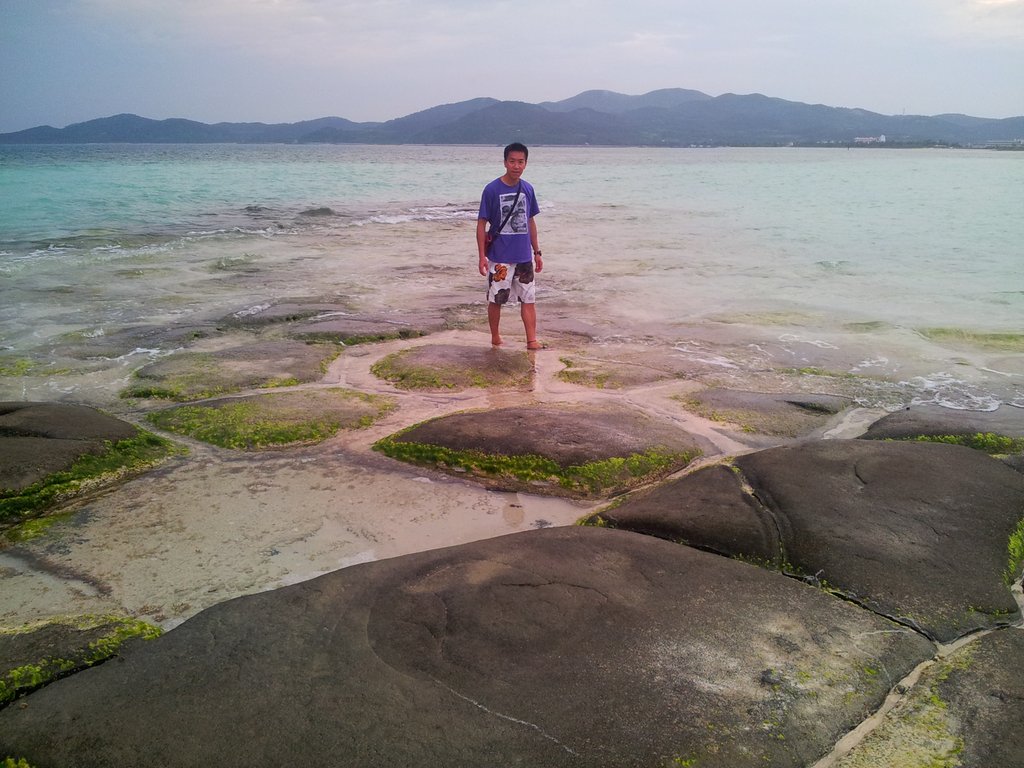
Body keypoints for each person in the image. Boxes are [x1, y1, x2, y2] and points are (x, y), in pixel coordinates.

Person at [476, 142, 544, 349]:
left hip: (524, 257)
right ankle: (495, 336)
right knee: (496, 299)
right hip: (500, 257)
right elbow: (481, 224)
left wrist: (537, 252)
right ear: (505, 162)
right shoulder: (491, 190)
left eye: (520, 162)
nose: (516, 166)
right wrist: (481, 256)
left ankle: (531, 340)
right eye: (512, 161)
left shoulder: (528, 189)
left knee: (529, 299)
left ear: (526, 163)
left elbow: (530, 221)